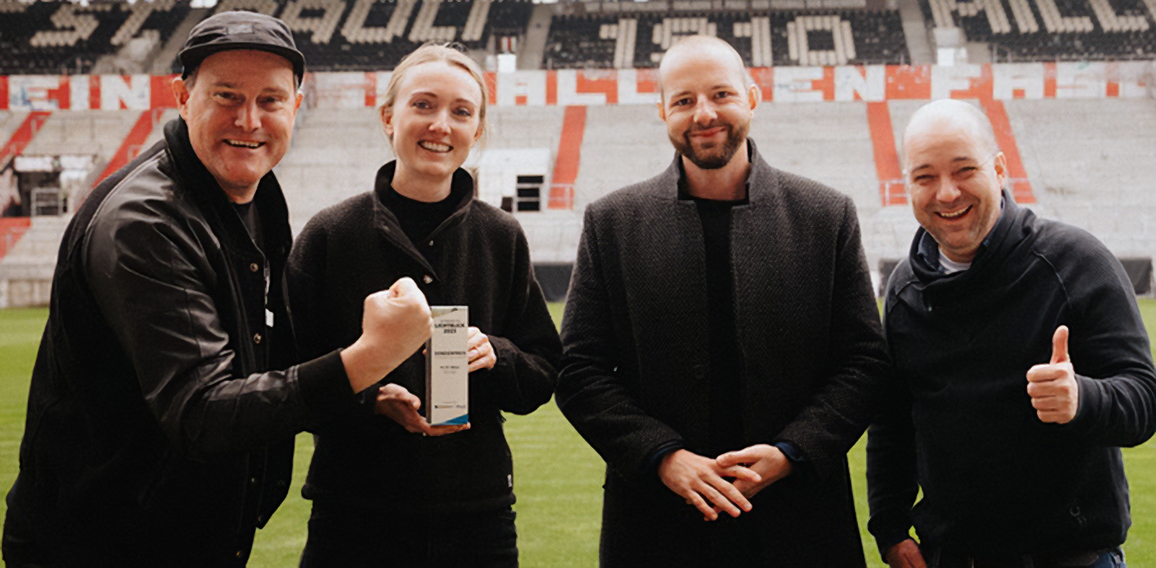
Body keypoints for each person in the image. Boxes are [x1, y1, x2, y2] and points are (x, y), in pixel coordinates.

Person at [2, 12, 433, 568]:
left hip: (182, 537)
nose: (249, 120)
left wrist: (358, 395)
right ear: (182, 96)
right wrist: (369, 358)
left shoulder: (251, 191)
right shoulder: (146, 223)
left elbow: (258, 344)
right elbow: (202, 411)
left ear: (296, 107)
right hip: (103, 544)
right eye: (226, 96)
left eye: (271, 101)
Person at [555, 35, 891, 567]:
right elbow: (578, 370)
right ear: (662, 110)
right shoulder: (612, 222)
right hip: (657, 525)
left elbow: (865, 362)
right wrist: (663, 457)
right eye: (684, 100)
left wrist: (791, 453)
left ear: (752, 98)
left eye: (721, 95)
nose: (704, 114)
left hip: (798, 521)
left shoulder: (825, 215)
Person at [285, 44, 561, 568]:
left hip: (477, 518)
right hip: (353, 514)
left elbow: (543, 375)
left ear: (477, 130)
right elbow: (288, 379)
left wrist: (495, 354)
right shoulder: (330, 234)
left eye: (461, 112)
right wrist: (369, 400)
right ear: (389, 116)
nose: (441, 125)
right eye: (424, 105)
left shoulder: (501, 235)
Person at [867, 99, 1156, 568]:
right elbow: (893, 421)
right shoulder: (903, 290)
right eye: (925, 177)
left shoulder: (1076, 261)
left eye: (964, 170)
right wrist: (890, 527)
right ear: (906, 186)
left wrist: (1082, 399)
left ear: (999, 169)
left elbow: (1144, 398)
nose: (946, 193)